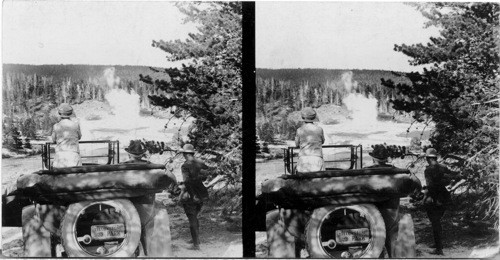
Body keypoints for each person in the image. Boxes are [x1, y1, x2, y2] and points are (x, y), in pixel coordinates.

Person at [178, 144, 209, 250]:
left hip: (192, 195)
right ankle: (196, 239)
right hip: (202, 194)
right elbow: (206, 175)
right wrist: (198, 180)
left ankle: (196, 245)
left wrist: (192, 194)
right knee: (195, 217)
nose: (182, 154)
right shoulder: (200, 162)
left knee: (192, 219)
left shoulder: (185, 165)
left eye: (183, 153)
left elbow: (186, 181)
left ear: (186, 154)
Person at [423, 148, 452, 255]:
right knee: (437, 221)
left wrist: (426, 193)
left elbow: (430, 186)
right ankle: (438, 243)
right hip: (444, 197)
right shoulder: (444, 167)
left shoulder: (428, 170)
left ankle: (439, 249)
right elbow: (450, 180)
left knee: (435, 222)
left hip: (434, 199)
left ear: (427, 158)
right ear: (435, 157)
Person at [294, 107, 325, 173]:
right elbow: (322, 141)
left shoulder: (299, 130)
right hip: (317, 158)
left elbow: (296, 144)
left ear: (303, 118)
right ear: (314, 118)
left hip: (303, 159)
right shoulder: (319, 129)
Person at [51, 103, 82, 168]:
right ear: (70, 113)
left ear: (59, 113)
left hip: (60, 156)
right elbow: (79, 137)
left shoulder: (56, 126)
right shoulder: (76, 125)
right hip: (73, 154)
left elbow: (54, 140)